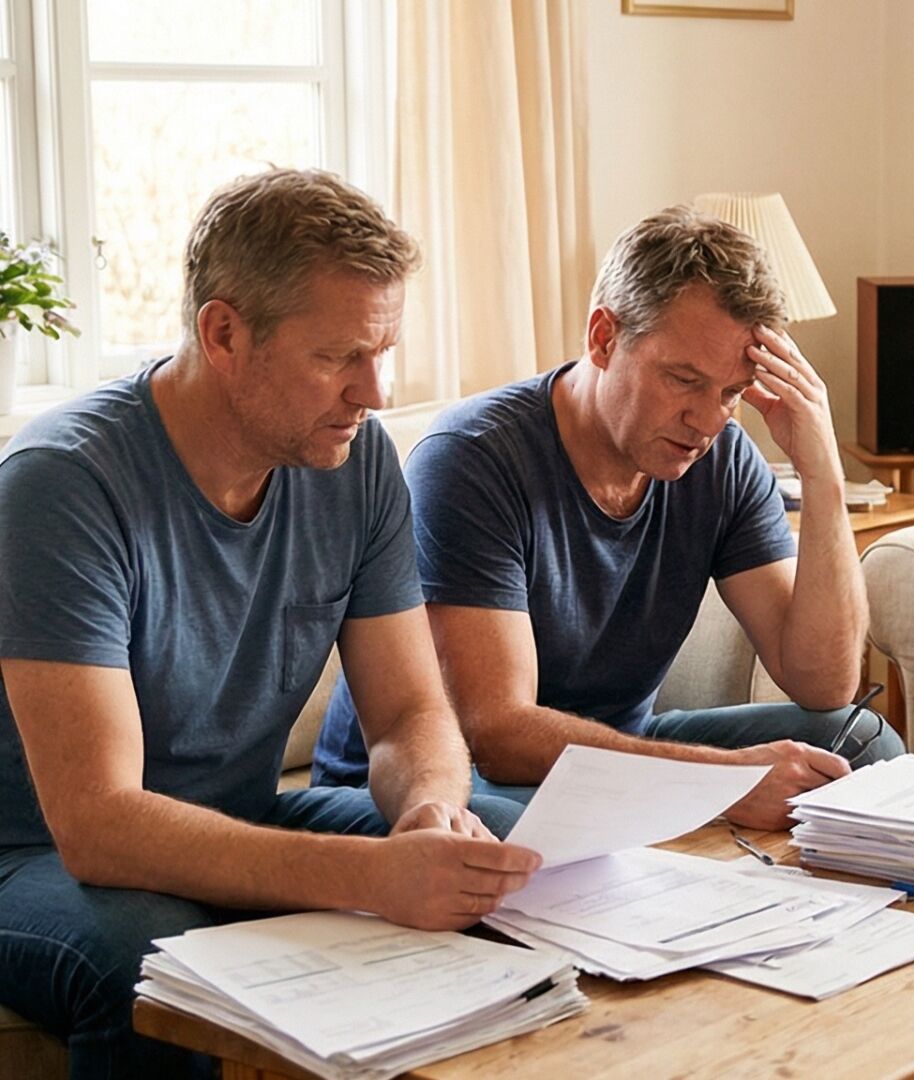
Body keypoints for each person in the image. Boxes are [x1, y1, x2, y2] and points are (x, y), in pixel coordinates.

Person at [0, 169, 541, 1080]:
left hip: (239, 815)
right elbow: (99, 826)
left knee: (517, 853)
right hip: (34, 857)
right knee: (158, 964)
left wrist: (428, 811)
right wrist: (368, 877)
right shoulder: (61, 487)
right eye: (340, 357)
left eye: (386, 351)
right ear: (223, 334)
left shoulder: (356, 461)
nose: (375, 391)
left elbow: (410, 714)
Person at [311, 206, 903, 827]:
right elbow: (498, 731)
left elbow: (823, 684)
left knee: (859, 742)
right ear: (603, 338)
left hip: (617, 749)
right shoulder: (474, 457)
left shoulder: (721, 458)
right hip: (453, 781)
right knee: (516, 828)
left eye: (731, 393)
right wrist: (714, 780)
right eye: (683, 380)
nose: (707, 421)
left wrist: (823, 476)